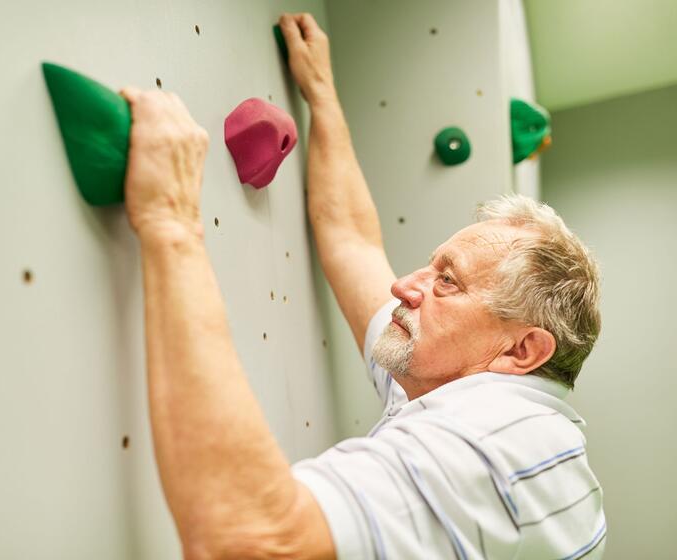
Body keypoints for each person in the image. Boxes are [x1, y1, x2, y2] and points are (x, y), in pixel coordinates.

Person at [118, 12, 605, 560]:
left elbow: (252, 541)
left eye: (448, 282)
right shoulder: (449, 377)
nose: (404, 287)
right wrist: (321, 95)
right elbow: (353, 241)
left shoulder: (497, 446)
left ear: (522, 349)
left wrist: (171, 222)